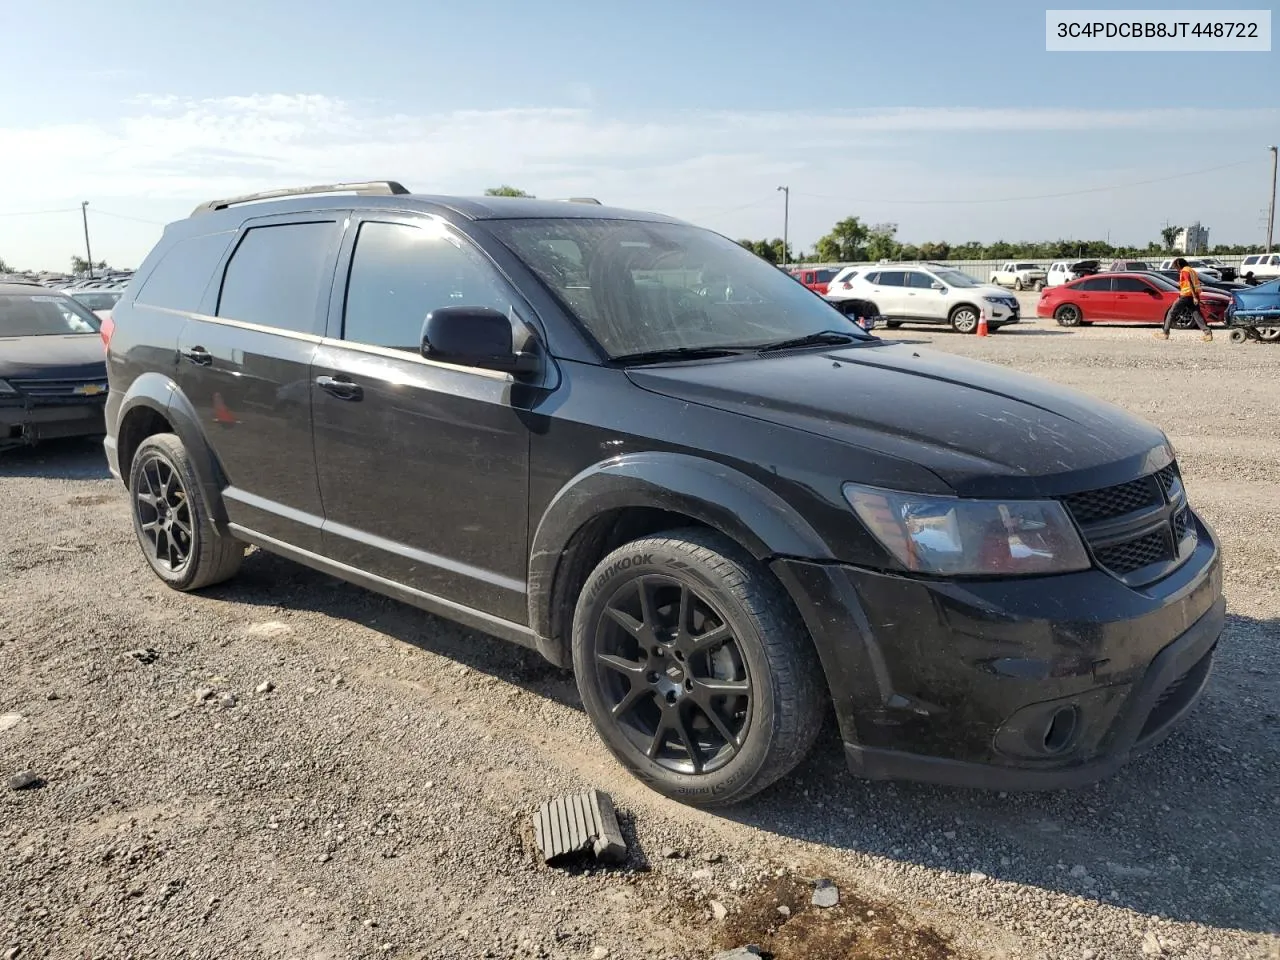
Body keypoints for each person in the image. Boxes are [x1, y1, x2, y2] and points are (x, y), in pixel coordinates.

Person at [1156, 258, 1212, 341]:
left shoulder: (1184, 271)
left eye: (1176, 267)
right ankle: (1208, 334)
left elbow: (1189, 283)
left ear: (1179, 265)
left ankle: (1165, 333)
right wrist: (1195, 297)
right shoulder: (1191, 270)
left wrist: (1194, 297)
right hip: (1192, 295)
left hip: (1186, 296)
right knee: (1196, 314)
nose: (1176, 270)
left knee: (1171, 312)